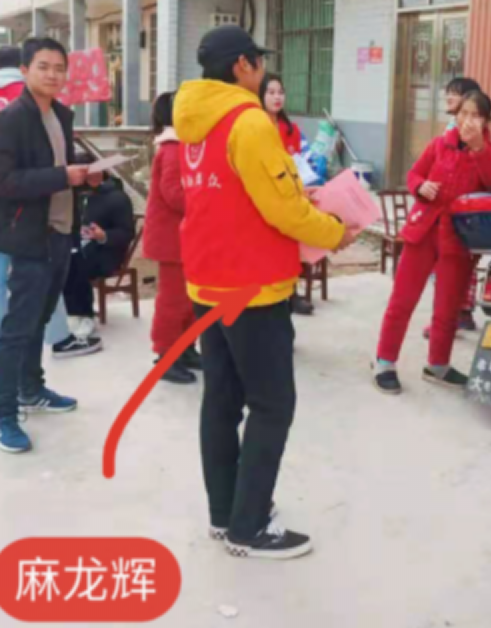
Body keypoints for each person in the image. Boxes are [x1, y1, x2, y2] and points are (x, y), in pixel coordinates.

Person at [174, 25, 354, 560]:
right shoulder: (247, 120)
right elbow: (281, 210)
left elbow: (240, 195)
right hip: (251, 288)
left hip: (209, 281)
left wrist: (300, 198)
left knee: (221, 401)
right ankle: (249, 527)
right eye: (257, 60)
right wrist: (333, 231)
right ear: (241, 66)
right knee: (273, 405)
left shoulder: (193, 123)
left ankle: (224, 513)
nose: (262, 69)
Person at [0, 37, 102, 453]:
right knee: (17, 328)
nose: (53, 75)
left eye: (59, 68)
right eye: (43, 66)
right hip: (29, 236)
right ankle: (2, 416)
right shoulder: (9, 119)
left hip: (60, 232)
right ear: (25, 70)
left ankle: (31, 389)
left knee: (40, 319)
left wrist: (85, 175)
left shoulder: (59, 115)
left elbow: (58, 169)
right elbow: (1, 182)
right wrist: (62, 176)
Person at [373, 91, 491, 395]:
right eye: (463, 113)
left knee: (448, 306)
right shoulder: (439, 145)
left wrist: (479, 149)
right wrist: (421, 186)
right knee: (403, 300)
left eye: (476, 115)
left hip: (459, 238)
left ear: (486, 121)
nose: (468, 121)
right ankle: (384, 362)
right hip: (423, 231)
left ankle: (438, 364)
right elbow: (414, 174)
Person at [0, 45, 85, 357]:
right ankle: (57, 336)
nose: (51, 73)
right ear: (24, 67)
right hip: (35, 200)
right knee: (40, 273)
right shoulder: (41, 101)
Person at [142, 91, 201, 385]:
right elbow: (174, 193)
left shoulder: (181, 145)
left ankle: (185, 347)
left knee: (189, 299)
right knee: (174, 301)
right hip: (171, 240)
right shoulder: (173, 148)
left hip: (184, 238)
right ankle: (166, 355)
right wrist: (206, 202)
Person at [421, 76, 484, 340]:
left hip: (461, 211)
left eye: (455, 93)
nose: (448, 97)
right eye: (447, 92)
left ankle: (452, 317)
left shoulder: (473, 133)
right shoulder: (450, 128)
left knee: (456, 267)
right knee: (456, 267)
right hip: (449, 210)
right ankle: (461, 313)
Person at [61, 156, 135, 347]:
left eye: (95, 170)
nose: (92, 176)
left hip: (107, 252)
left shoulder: (117, 197)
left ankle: (83, 315)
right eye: (86, 173)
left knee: (76, 263)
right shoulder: (78, 195)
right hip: (83, 246)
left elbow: (127, 232)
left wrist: (103, 235)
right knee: (62, 259)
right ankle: (69, 313)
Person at [259, 72, 314, 316]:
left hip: (290, 196)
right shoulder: (254, 127)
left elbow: (299, 165)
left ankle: (292, 293)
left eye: (280, 92)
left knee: (291, 246)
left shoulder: (291, 130)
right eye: (271, 92)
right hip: (264, 197)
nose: (277, 97)